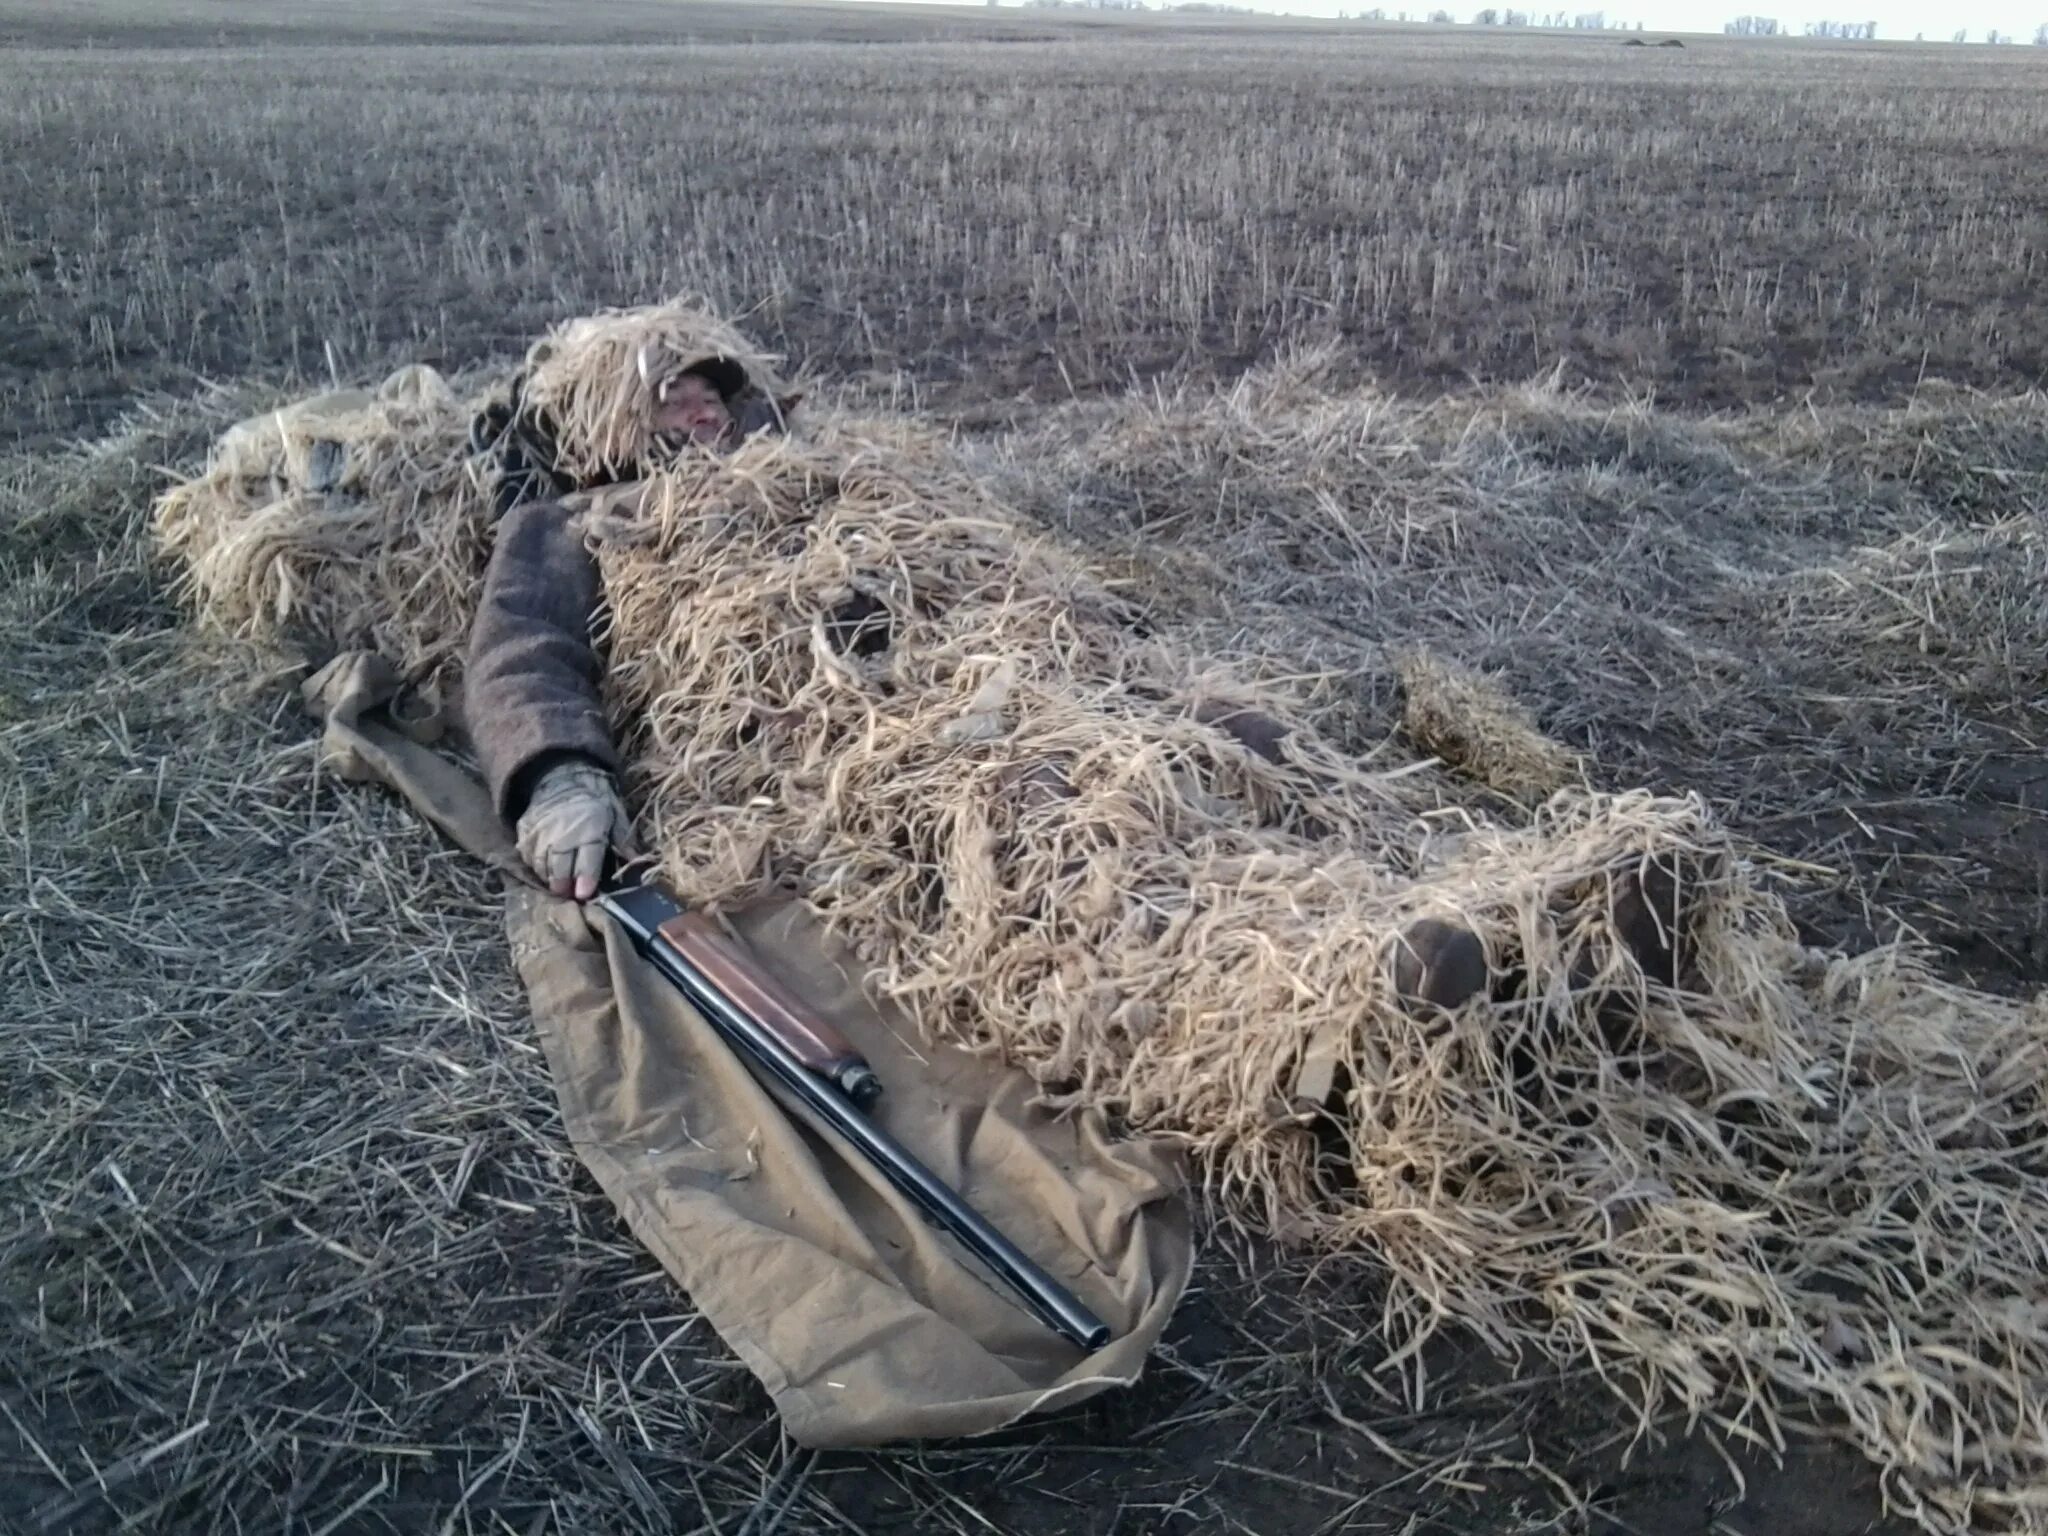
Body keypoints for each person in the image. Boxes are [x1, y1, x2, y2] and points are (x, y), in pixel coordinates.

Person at [466, 355, 792, 902]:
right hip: (755, 751)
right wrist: (561, 775)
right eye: (672, 402)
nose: (701, 411)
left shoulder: (800, 479)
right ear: (617, 425)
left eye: (710, 398)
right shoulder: (576, 519)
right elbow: (522, 647)